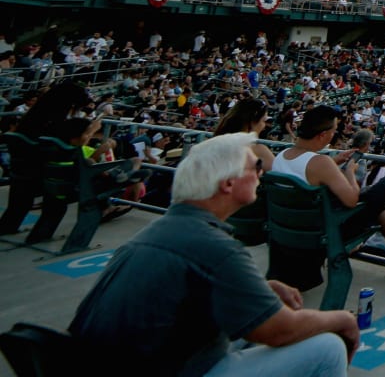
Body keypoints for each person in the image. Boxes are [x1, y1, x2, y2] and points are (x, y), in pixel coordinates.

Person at [68, 132, 357, 377]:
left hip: (120, 363)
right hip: (171, 368)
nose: (261, 174)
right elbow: (279, 331)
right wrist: (342, 320)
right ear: (228, 183)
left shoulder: (153, 233)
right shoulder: (216, 247)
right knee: (328, 346)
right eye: (255, 166)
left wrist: (258, 290)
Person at [268, 106, 385, 265]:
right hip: (326, 232)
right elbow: (352, 200)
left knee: (374, 197)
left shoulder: (281, 156)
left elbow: (308, 173)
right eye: (334, 131)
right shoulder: (320, 163)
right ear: (322, 134)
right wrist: (350, 170)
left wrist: (335, 161)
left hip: (293, 229)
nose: (334, 134)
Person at [212, 97, 275, 170]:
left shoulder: (215, 142)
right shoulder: (258, 150)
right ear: (252, 122)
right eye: (264, 121)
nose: (264, 126)